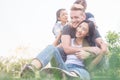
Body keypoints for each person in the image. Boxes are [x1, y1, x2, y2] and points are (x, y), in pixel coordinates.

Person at [20, 6, 107, 78]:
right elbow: (58, 49)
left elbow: (98, 55)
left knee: (83, 74)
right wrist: (89, 49)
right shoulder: (69, 40)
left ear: (87, 34)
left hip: (80, 70)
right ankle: (31, 68)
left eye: (83, 29)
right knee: (51, 47)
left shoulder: (91, 42)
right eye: (80, 27)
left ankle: (69, 76)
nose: (79, 29)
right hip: (64, 67)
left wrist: (96, 52)